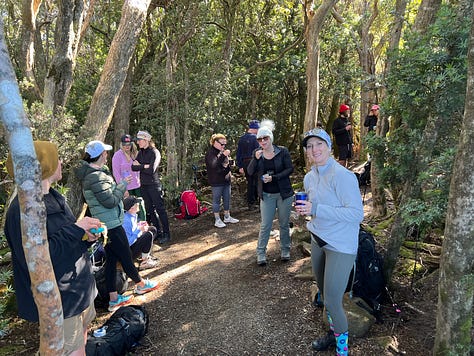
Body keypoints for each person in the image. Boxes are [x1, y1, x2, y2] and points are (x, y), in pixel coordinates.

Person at [4, 141, 101, 355]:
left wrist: (86, 237)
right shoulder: (22, 212)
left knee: (81, 341)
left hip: (78, 291)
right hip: (59, 301)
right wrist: (77, 229)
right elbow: (38, 260)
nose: (61, 162)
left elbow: (64, 239)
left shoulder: (54, 197)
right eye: (56, 159)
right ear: (45, 167)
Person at [296, 128, 364, 356]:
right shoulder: (309, 177)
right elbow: (316, 211)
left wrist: (316, 208)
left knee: (334, 300)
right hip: (318, 239)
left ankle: (342, 350)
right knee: (325, 295)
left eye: (318, 144)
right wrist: (305, 212)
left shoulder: (343, 176)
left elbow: (356, 214)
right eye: (309, 146)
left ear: (328, 147)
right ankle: (333, 334)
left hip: (341, 246)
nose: (314, 149)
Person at [75, 140, 159, 312]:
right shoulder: (95, 176)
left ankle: (113, 299)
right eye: (105, 153)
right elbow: (110, 201)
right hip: (111, 223)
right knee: (126, 256)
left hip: (108, 222)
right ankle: (140, 284)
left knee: (112, 261)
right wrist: (122, 185)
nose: (107, 155)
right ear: (100, 155)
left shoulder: (95, 173)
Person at [247, 120, 294, 266]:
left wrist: (274, 177)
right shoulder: (257, 154)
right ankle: (261, 253)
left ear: (270, 138)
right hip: (266, 195)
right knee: (265, 225)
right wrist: (255, 159)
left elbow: (289, 169)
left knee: (284, 223)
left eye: (265, 138)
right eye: (260, 139)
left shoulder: (282, 151)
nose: (262, 141)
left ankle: (285, 250)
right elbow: (249, 172)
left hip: (284, 194)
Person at [132, 130, 171, 244]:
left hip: (153, 185)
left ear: (146, 140)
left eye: (139, 140)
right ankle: (158, 232)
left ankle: (167, 233)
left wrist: (140, 166)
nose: (138, 142)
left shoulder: (155, 152)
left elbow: (151, 170)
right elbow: (133, 168)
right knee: (150, 210)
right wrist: (144, 166)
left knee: (160, 209)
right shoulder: (141, 153)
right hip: (143, 185)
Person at [205, 133, 239, 228]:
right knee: (216, 200)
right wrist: (223, 155)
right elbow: (213, 165)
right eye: (221, 144)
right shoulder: (210, 153)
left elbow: (225, 164)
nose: (223, 146)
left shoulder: (222, 151)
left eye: (225, 144)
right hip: (216, 181)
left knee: (227, 198)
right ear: (215, 142)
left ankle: (227, 216)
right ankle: (217, 219)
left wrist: (230, 164)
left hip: (226, 179)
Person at [112, 134, 145, 221]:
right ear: (121, 144)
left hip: (138, 186)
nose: (127, 146)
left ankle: (143, 224)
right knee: (130, 209)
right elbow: (116, 173)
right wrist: (123, 188)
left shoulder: (135, 153)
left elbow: (140, 168)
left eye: (129, 144)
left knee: (141, 207)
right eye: (124, 145)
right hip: (127, 187)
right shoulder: (117, 155)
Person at [122, 196, 158, 270]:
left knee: (152, 229)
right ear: (131, 208)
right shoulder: (126, 221)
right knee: (148, 235)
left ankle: (143, 256)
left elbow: (133, 230)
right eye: (136, 204)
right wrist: (139, 230)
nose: (138, 204)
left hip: (133, 244)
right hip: (129, 251)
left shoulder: (132, 215)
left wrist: (139, 225)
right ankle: (144, 261)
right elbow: (128, 242)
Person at [236, 120, 260, 210]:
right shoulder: (255, 138)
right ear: (254, 129)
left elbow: (239, 153)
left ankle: (251, 203)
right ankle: (257, 202)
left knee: (250, 183)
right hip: (254, 162)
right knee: (257, 182)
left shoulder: (242, 138)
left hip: (245, 163)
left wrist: (240, 166)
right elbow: (258, 152)